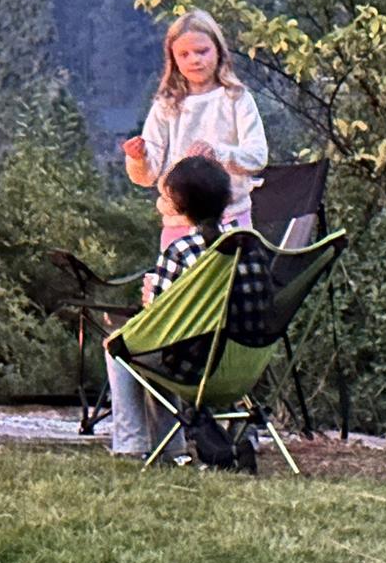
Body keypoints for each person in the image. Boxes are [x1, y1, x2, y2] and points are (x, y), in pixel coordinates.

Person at [108, 155, 272, 460]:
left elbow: (158, 322)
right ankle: (170, 446)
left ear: (180, 206)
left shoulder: (181, 251)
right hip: (244, 368)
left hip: (192, 369)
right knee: (157, 352)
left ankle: (136, 445)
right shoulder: (253, 248)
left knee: (123, 349)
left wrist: (147, 299)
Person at [121, 9, 268, 254]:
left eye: (202, 51)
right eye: (184, 54)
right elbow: (146, 176)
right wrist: (138, 157)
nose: (194, 60)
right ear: (174, 60)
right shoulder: (166, 105)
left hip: (231, 219)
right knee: (180, 288)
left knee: (232, 287)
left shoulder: (236, 98)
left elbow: (257, 156)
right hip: (179, 223)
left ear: (219, 51)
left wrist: (218, 154)